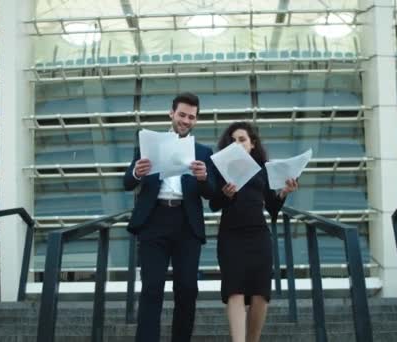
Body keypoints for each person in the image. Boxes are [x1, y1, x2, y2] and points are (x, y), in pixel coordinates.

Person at [124, 92, 216, 342]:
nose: (186, 120)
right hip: (154, 221)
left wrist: (204, 177)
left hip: (186, 225)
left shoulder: (203, 152)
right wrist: (137, 171)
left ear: (196, 120)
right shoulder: (148, 143)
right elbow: (127, 182)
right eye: (182, 114)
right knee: (151, 289)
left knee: (187, 289)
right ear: (171, 113)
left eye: (192, 117)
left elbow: (211, 194)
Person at [210, 121, 298, 342]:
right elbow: (213, 204)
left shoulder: (262, 171)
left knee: (260, 294)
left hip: (258, 236)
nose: (237, 143)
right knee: (235, 290)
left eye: (242, 139)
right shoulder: (222, 169)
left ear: (252, 144)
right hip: (231, 235)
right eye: (233, 140)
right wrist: (226, 194)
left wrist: (284, 192)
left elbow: (272, 207)